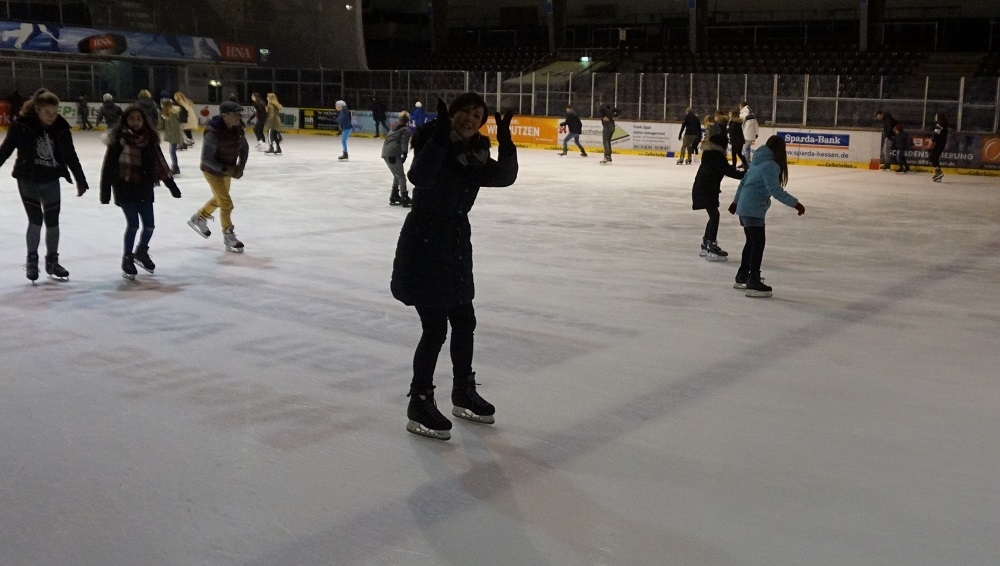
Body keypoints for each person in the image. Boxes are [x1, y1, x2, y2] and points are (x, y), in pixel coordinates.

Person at [390, 93, 518, 440]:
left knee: (464, 320)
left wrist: (506, 141)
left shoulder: (475, 153)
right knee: (434, 327)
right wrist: (442, 135)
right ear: (454, 113)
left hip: (456, 243)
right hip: (425, 242)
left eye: (478, 115)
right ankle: (419, 402)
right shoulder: (432, 140)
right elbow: (420, 176)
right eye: (465, 111)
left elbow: (504, 177)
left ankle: (463, 392)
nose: (470, 119)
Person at [0, 88, 89, 282]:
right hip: (28, 179)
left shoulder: (60, 127)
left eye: (55, 112)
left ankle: (52, 262)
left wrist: (80, 179)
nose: (51, 116)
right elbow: (5, 150)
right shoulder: (22, 126)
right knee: (35, 220)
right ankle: (32, 261)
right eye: (47, 112)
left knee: (53, 221)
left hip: (50, 178)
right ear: (37, 109)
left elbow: (70, 155)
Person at [99, 105, 182, 279]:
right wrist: (105, 191)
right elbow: (108, 166)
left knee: (150, 225)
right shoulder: (118, 140)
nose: (135, 122)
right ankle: (127, 258)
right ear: (125, 121)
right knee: (133, 225)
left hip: (144, 188)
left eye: (139, 119)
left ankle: (141, 252)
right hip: (125, 188)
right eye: (131, 119)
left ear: (144, 121)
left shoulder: (150, 140)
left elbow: (160, 163)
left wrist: (171, 185)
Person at [727, 135, 805, 298]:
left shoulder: (757, 161)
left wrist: (735, 202)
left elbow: (743, 183)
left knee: (751, 243)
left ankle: (743, 275)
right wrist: (796, 204)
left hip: (744, 207)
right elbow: (775, 190)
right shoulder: (770, 165)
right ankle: (753, 280)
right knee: (758, 244)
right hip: (753, 209)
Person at [186, 100, 249, 253]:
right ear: (225, 115)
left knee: (219, 199)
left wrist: (241, 165)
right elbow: (206, 159)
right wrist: (225, 169)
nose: (238, 116)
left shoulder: (238, 128)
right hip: (212, 171)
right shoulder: (213, 132)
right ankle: (228, 235)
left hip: (227, 169)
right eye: (235, 114)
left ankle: (199, 217)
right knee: (226, 203)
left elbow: (244, 147)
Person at [692, 134, 744, 262]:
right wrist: (747, 174)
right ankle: (711, 245)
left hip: (704, 188)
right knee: (715, 216)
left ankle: (707, 243)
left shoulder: (710, 155)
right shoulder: (717, 157)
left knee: (713, 216)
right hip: (707, 189)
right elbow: (731, 172)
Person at [382, 111, 411, 206]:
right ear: (407, 120)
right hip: (393, 154)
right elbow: (404, 142)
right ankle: (404, 196)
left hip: (386, 152)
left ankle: (394, 195)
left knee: (397, 174)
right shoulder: (405, 130)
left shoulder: (393, 127)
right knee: (401, 176)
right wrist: (405, 154)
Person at [160, 98, 184, 175]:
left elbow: (174, 127)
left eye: (162, 104)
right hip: (173, 134)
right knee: (172, 151)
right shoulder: (169, 113)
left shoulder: (171, 114)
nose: (161, 106)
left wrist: (173, 137)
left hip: (174, 135)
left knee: (172, 151)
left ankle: (175, 167)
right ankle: (175, 166)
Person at [929, 113, 949, 182]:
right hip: (942, 143)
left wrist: (932, 141)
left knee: (932, 157)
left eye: (936, 116)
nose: (935, 117)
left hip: (939, 143)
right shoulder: (944, 125)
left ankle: (938, 172)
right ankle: (938, 173)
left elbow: (936, 134)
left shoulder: (939, 125)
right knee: (935, 157)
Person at [739, 101, 759, 166]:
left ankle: (746, 163)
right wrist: (756, 133)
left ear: (742, 106)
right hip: (751, 135)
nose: (739, 107)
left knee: (745, 149)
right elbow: (756, 124)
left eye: (740, 106)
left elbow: (741, 125)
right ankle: (745, 162)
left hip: (746, 134)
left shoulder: (743, 114)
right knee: (746, 148)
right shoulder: (752, 114)